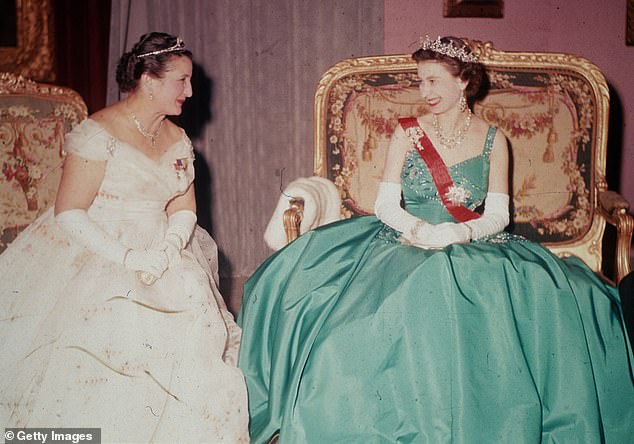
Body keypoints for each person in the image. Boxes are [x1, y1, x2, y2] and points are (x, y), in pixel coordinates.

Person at [237, 36, 634, 443]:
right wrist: (417, 231)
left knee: (552, 300)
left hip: (472, 242)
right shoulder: (408, 133)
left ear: (463, 82)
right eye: (420, 81)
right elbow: (385, 203)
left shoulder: (494, 139)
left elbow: (499, 215)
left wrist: (459, 231)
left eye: (433, 81)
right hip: (405, 238)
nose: (424, 92)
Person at [0, 32, 249, 442]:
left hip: (163, 253)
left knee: (195, 332)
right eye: (181, 81)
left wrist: (170, 247)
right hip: (101, 250)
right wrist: (130, 259)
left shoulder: (177, 138)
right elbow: (69, 212)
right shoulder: (98, 133)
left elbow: (184, 207)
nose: (189, 91)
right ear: (149, 81)